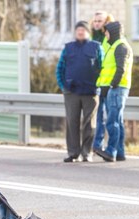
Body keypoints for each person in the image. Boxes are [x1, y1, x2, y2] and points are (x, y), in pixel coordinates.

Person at [56, 21, 104, 163]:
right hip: (72, 92)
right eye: (78, 29)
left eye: (83, 29)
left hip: (91, 92)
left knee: (89, 124)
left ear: (88, 32)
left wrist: (99, 85)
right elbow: (60, 68)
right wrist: (63, 86)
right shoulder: (68, 48)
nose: (80, 32)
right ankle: (73, 153)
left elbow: (103, 68)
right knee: (72, 122)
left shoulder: (96, 47)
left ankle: (87, 153)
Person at [94, 21, 133, 162]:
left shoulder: (121, 46)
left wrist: (112, 85)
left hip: (117, 88)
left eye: (107, 32)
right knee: (118, 121)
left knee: (113, 122)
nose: (105, 34)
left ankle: (111, 151)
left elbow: (120, 69)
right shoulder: (116, 46)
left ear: (113, 32)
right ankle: (120, 152)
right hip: (116, 88)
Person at [91, 11, 115, 152]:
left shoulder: (107, 38)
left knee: (103, 115)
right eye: (95, 21)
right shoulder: (91, 37)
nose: (96, 23)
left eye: (100, 21)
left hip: (106, 82)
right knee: (96, 115)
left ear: (106, 22)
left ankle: (98, 144)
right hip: (94, 82)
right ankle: (95, 144)